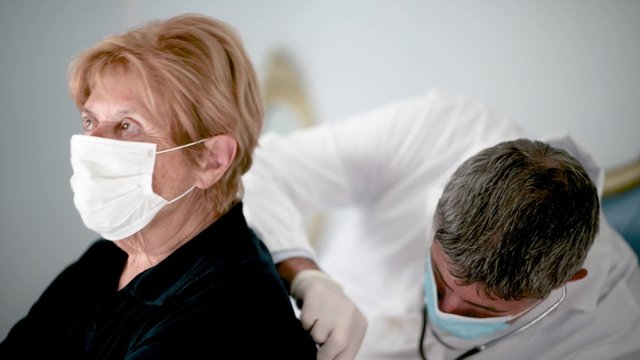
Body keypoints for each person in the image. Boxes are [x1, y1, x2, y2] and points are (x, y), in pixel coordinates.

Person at [0, 13, 317, 359]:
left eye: (127, 125)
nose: (93, 144)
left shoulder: (232, 310)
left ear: (210, 161)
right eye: (90, 120)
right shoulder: (109, 257)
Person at [242, 90, 640, 359]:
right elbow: (257, 169)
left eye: (479, 311)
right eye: (438, 275)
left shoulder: (616, 332)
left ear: (568, 280)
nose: (445, 308)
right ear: (447, 191)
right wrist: (308, 276)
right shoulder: (445, 129)